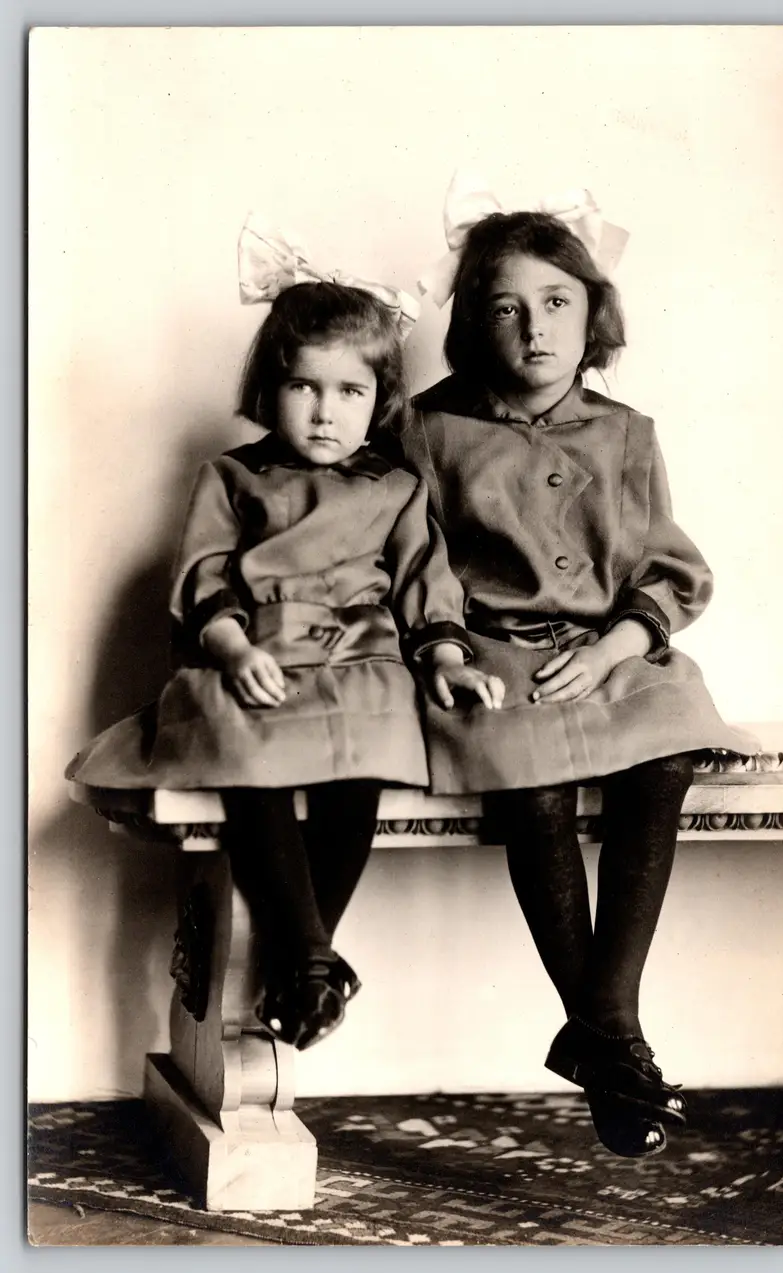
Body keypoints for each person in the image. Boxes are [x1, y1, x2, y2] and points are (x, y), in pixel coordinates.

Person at [67, 218, 503, 1052]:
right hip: (258, 653)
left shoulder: (397, 487)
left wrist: (444, 653)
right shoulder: (232, 477)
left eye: (351, 392)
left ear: (381, 400)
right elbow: (205, 572)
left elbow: (424, 583)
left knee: (366, 755)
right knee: (248, 749)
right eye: (306, 387)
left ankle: (303, 959)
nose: (326, 411)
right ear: (270, 387)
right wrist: (231, 645)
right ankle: (309, 959)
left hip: (360, 659)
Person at [405, 177, 756, 1157]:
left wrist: (617, 643)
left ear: (592, 313)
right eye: (506, 308)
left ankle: (603, 1020)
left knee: (665, 754)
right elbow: (412, 559)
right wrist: (440, 644)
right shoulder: (428, 430)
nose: (534, 330)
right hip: (492, 658)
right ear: (476, 323)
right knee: (536, 785)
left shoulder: (626, 432)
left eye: (556, 302)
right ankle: (616, 1040)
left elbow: (670, 565)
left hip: (611, 650)